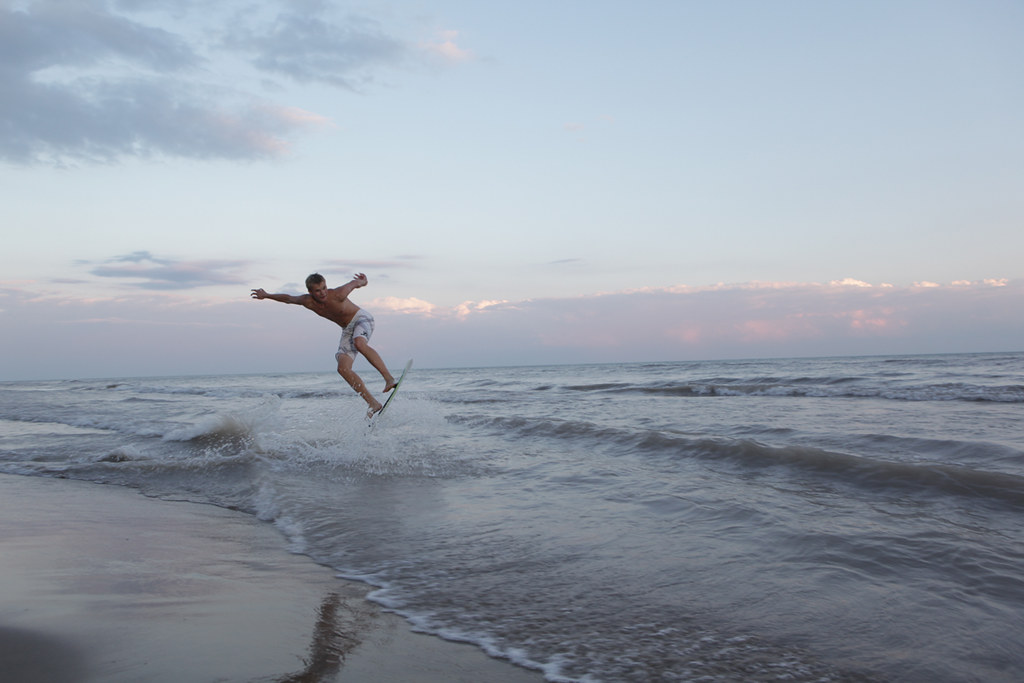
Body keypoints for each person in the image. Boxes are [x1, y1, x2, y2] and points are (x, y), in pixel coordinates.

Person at [251, 273, 397, 415]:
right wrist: (267, 295)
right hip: (347, 329)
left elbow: (355, 284)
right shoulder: (307, 301)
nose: (322, 293)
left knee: (359, 343)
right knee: (343, 369)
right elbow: (288, 298)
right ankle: (372, 403)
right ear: (310, 292)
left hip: (361, 319)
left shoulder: (338, 294)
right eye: (318, 291)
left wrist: (363, 281)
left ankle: (389, 379)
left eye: (324, 288)